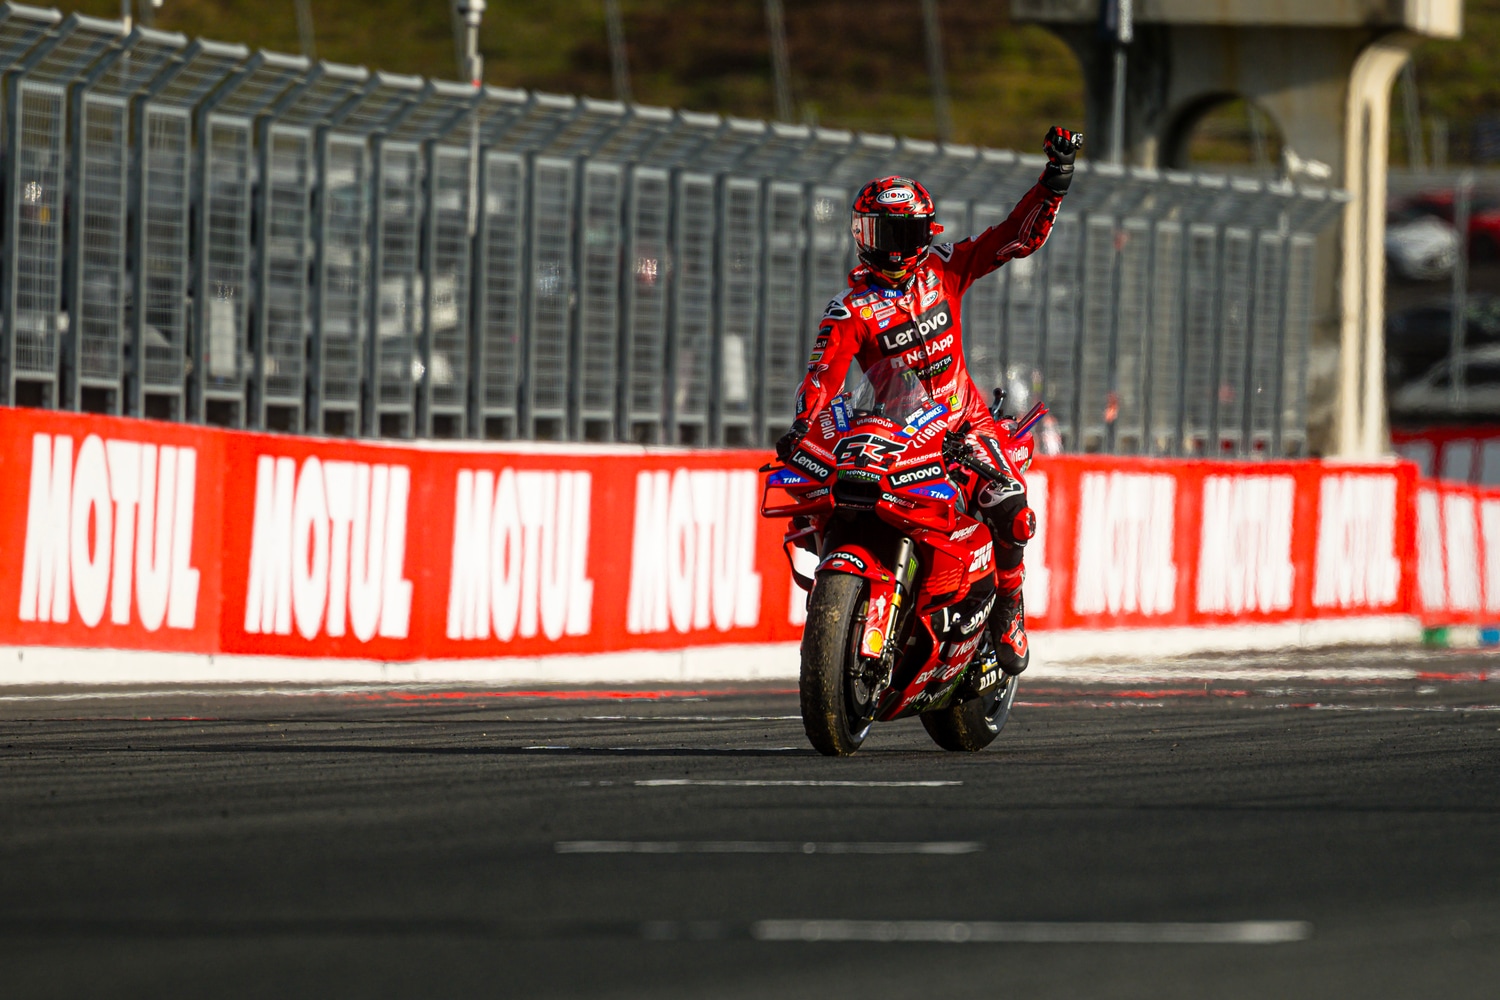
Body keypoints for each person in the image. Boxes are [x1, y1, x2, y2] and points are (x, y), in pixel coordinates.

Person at [775, 126, 1083, 676]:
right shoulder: (851, 310)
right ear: (861, 234)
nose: (892, 246)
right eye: (881, 231)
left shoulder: (945, 267)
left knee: (1010, 507)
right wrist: (805, 425)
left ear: (924, 233)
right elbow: (821, 376)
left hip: (964, 424)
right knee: (827, 498)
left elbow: (1015, 236)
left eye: (904, 232)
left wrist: (1053, 183)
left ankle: (1010, 609)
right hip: (892, 433)